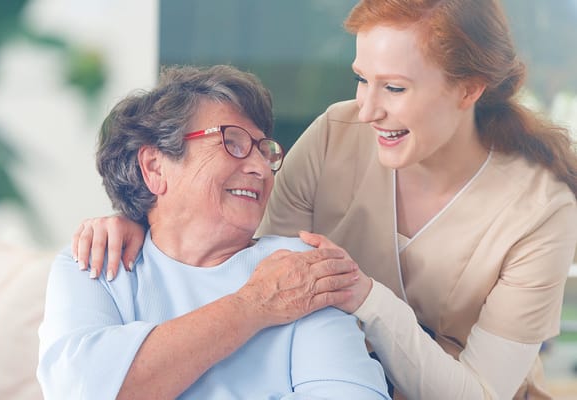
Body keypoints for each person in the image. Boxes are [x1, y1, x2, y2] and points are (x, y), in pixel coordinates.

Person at [69, 1, 577, 399]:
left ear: (468, 90)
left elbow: (479, 394)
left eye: (394, 88)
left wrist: (367, 298)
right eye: (362, 79)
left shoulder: (541, 212)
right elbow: (248, 260)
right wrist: (144, 219)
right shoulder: (338, 133)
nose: (367, 109)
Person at [38, 65, 390, 399]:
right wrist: (254, 304)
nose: (260, 168)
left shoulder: (299, 270)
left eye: (264, 151)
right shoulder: (96, 263)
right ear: (155, 167)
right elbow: (80, 390)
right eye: (232, 142)